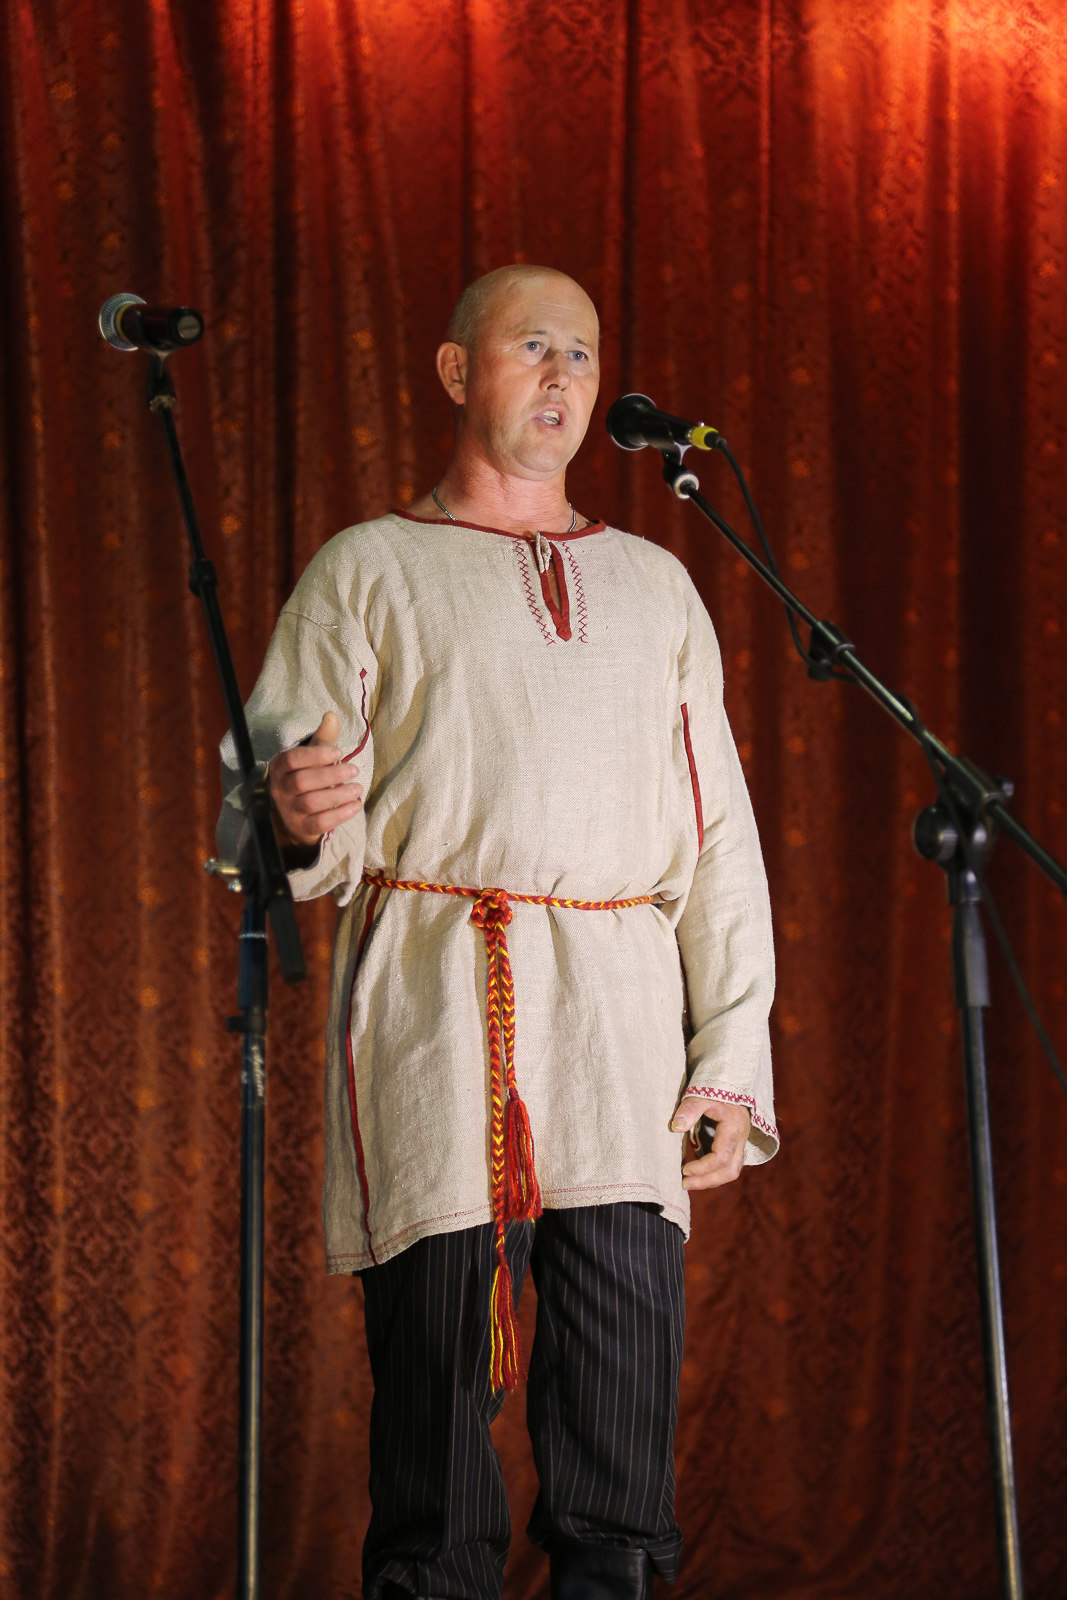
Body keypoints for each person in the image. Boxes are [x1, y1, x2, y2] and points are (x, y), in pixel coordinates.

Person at [218, 265, 778, 1600]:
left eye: (582, 353)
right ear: (458, 371)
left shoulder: (655, 585)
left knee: (621, 1447)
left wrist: (730, 1057)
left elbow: (718, 839)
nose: (563, 376)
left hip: (623, 1035)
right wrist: (290, 813)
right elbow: (275, 808)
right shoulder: (369, 569)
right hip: (440, 1016)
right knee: (437, 1448)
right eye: (533, 346)